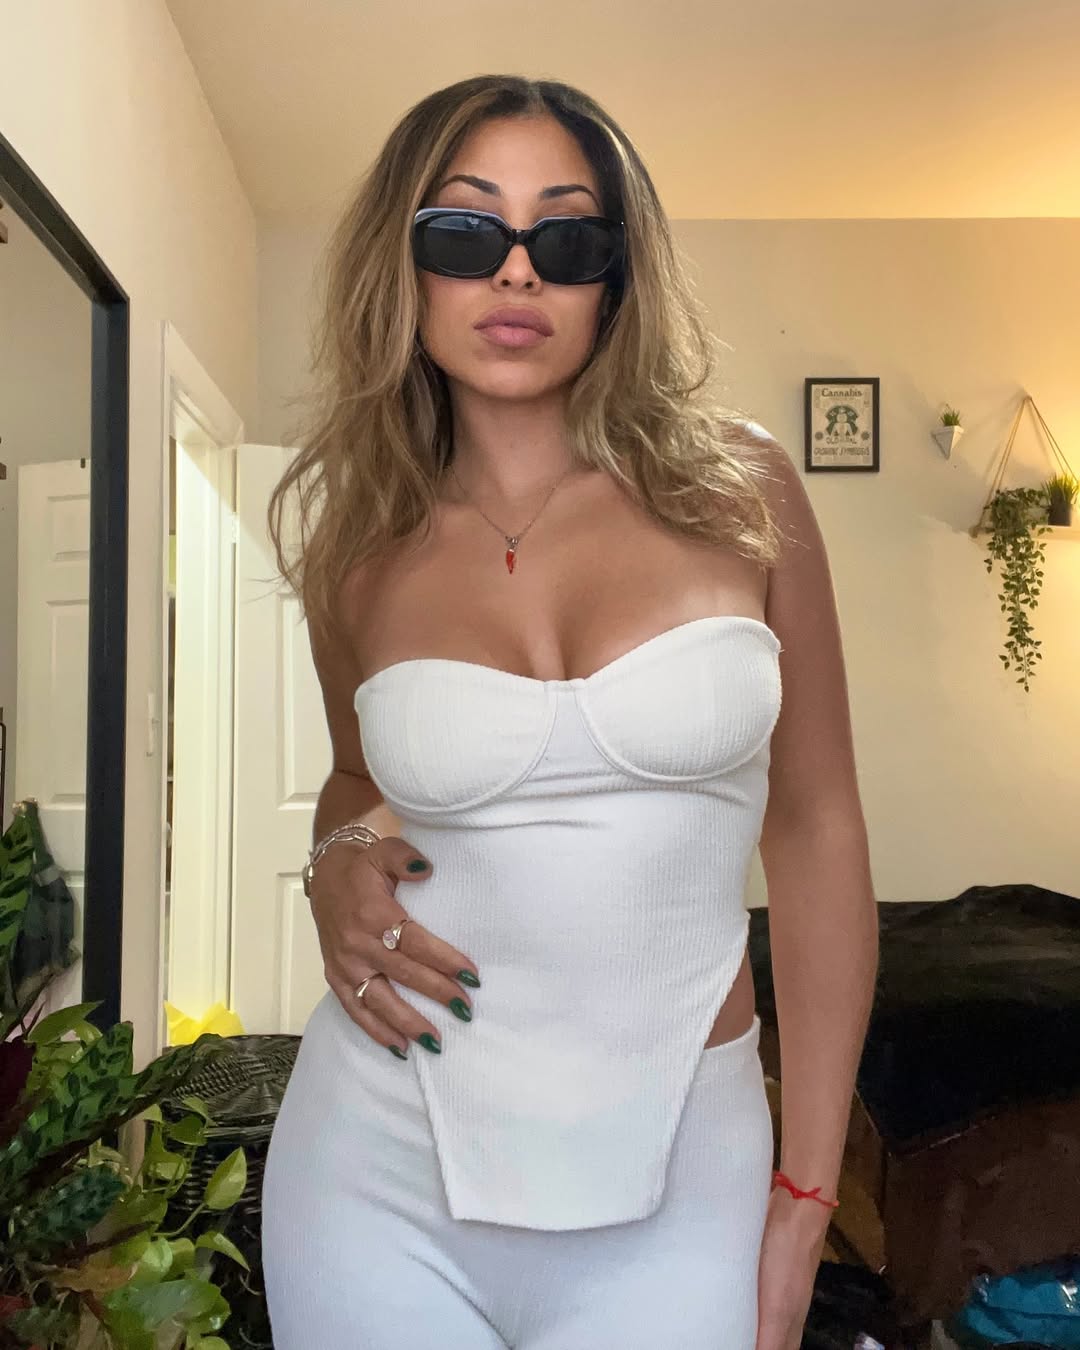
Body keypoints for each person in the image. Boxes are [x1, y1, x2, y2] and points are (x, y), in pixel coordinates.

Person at [260, 74, 878, 1350]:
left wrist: (808, 1192)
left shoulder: (744, 490)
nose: (517, 271)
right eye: (465, 230)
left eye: (568, 236)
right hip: (379, 1165)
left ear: (615, 276)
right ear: (404, 264)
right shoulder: (359, 547)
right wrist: (331, 869)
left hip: (682, 1176)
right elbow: (355, 786)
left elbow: (817, 827)